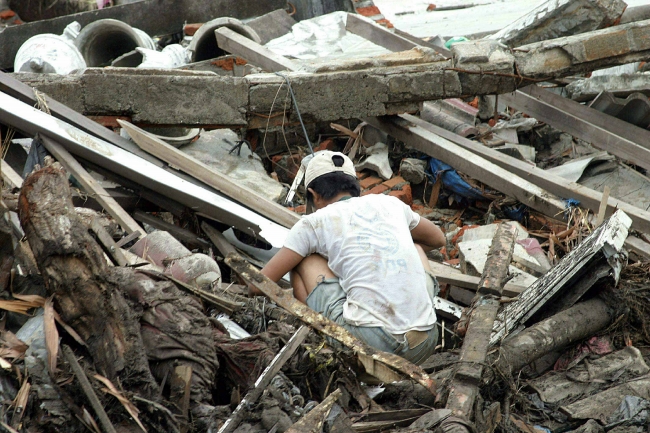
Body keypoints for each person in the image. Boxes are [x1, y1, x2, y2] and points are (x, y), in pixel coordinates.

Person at [254, 151, 446, 364]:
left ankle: (321, 347)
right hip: (426, 339)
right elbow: (438, 239)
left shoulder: (313, 223)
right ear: (356, 187)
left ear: (314, 194)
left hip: (370, 346)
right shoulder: (390, 204)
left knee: (303, 260)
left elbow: (258, 285)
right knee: (416, 247)